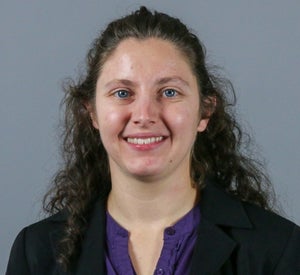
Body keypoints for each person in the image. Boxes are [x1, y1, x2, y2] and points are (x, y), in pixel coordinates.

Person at [6, 6, 300, 275]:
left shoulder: (277, 249)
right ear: (92, 112)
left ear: (205, 111)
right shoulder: (37, 252)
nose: (144, 115)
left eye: (170, 92)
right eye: (122, 93)